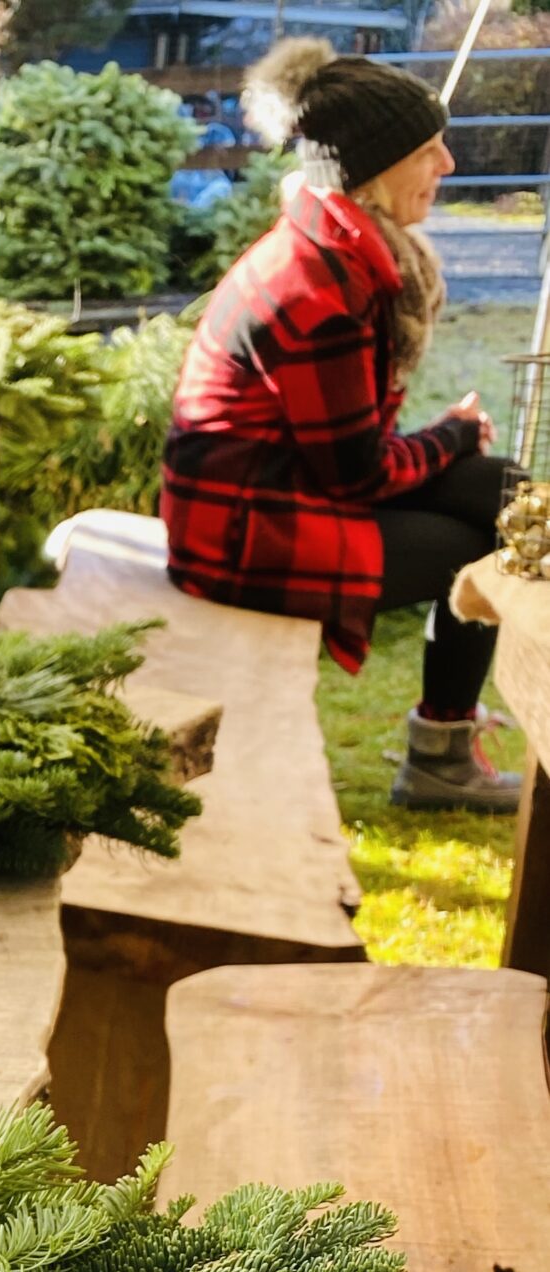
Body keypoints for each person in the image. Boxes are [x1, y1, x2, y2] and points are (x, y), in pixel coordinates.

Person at [162, 39, 518, 812]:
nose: (448, 166)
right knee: (479, 548)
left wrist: (454, 446)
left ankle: (442, 750)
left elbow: (344, 451)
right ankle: (439, 759)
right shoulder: (316, 284)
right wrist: (450, 435)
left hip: (278, 494)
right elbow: (353, 473)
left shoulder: (340, 248)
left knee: (507, 495)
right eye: (428, 150)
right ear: (374, 170)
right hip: (245, 529)